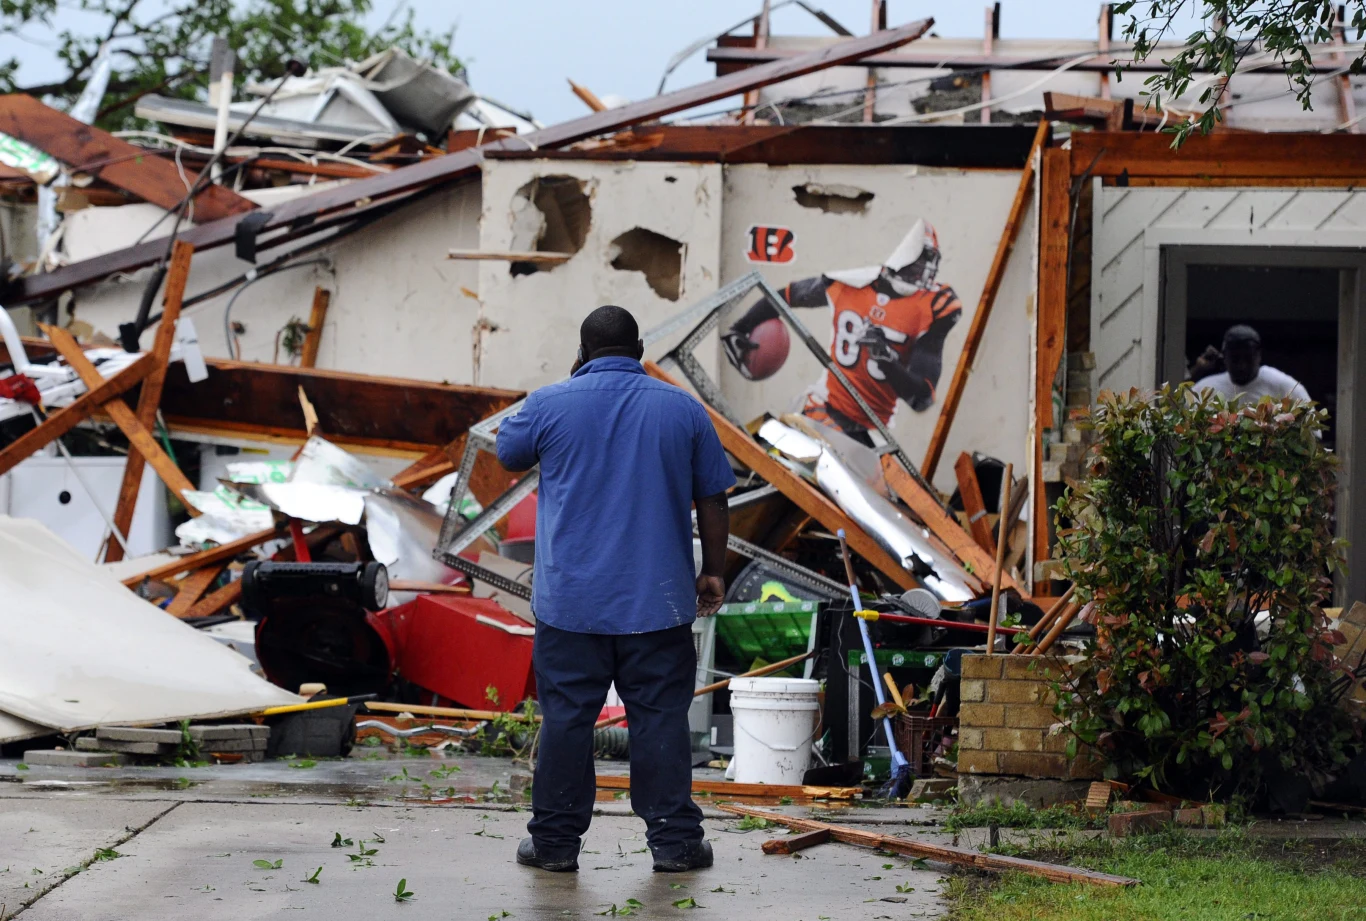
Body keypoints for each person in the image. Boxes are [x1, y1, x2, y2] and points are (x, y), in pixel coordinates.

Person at [496, 305, 735, 874]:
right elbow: (714, 497)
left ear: (582, 353)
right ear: (641, 349)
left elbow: (508, 452)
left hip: (570, 606)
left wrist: (566, 383)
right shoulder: (683, 409)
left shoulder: (550, 403)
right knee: (659, 721)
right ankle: (674, 845)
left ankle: (554, 845)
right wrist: (714, 572)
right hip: (657, 604)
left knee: (568, 721)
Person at [721, 218, 962, 446]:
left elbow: (922, 397)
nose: (924, 273)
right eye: (918, 264)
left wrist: (886, 360)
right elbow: (784, 296)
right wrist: (741, 328)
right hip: (824, 409)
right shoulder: (851, 286)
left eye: (927, 265)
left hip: (872, 430)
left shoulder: (932, 306)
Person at [1193, 324, 1309, 406]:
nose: (1241, 366)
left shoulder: (1285, 387)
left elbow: (1313, 433)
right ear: (1224, 356)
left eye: (1248, 358)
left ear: (1259, 356)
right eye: (1235, 359)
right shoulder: (1204, 389)